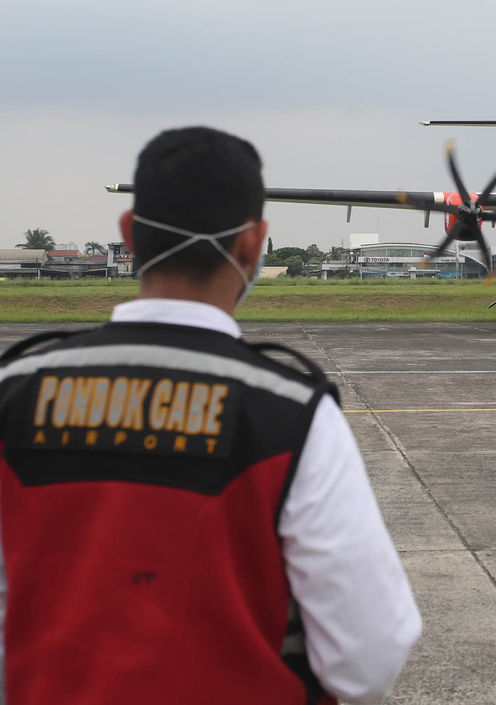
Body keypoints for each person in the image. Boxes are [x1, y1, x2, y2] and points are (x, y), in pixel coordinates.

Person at [0, 127, 421, 704]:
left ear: (128, 235)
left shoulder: (14, 393)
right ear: (254, 244)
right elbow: (370, 654)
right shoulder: (293, 414)